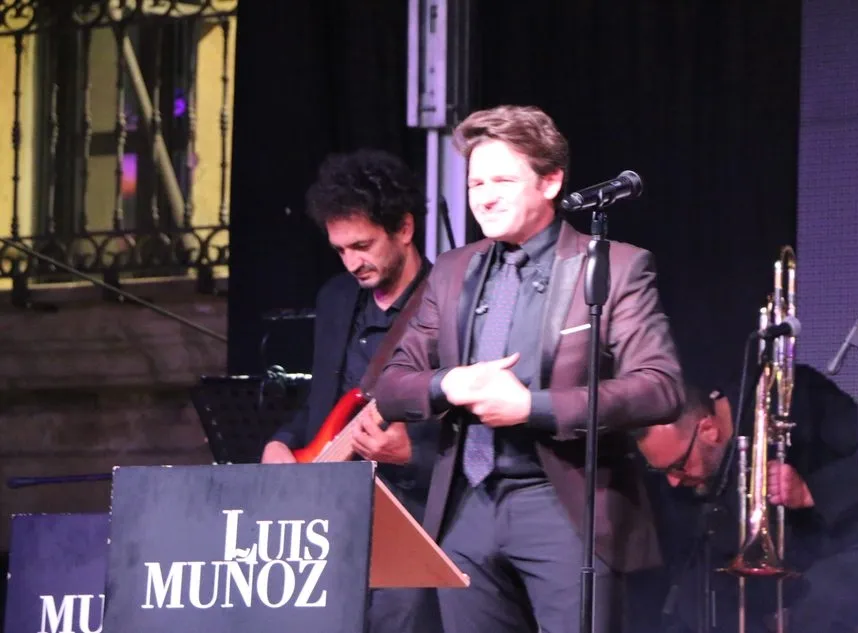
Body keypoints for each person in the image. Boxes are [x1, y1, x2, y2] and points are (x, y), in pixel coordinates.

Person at [372, 104, 685, 633]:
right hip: (465, 508)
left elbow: (660, 387)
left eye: (503, 181)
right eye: (475, 184)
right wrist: (450, 382)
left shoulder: (613, 266)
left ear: (551, 182)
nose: (485, 197)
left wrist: (531, 407)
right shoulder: (452, 270)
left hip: (564, 505)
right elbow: (392, 385)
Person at [260, 148, 442, 633]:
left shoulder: (445, 302)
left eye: (362, 245)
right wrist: (282, 442)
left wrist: (413, 455)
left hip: (413, 517)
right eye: (340, 250)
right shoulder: (337, 298)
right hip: (333, 519)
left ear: (404, 228)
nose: (351, 263)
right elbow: (321, 404)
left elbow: (472, 433)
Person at [634, 364, 858, 633]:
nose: (673, 481)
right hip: (798, 557)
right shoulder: (696, 465)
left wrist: (811, 491)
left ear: (709, 430)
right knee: (698, 595)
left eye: (677, 466)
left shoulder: (794, 395)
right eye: (662, 471)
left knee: (821, 597)